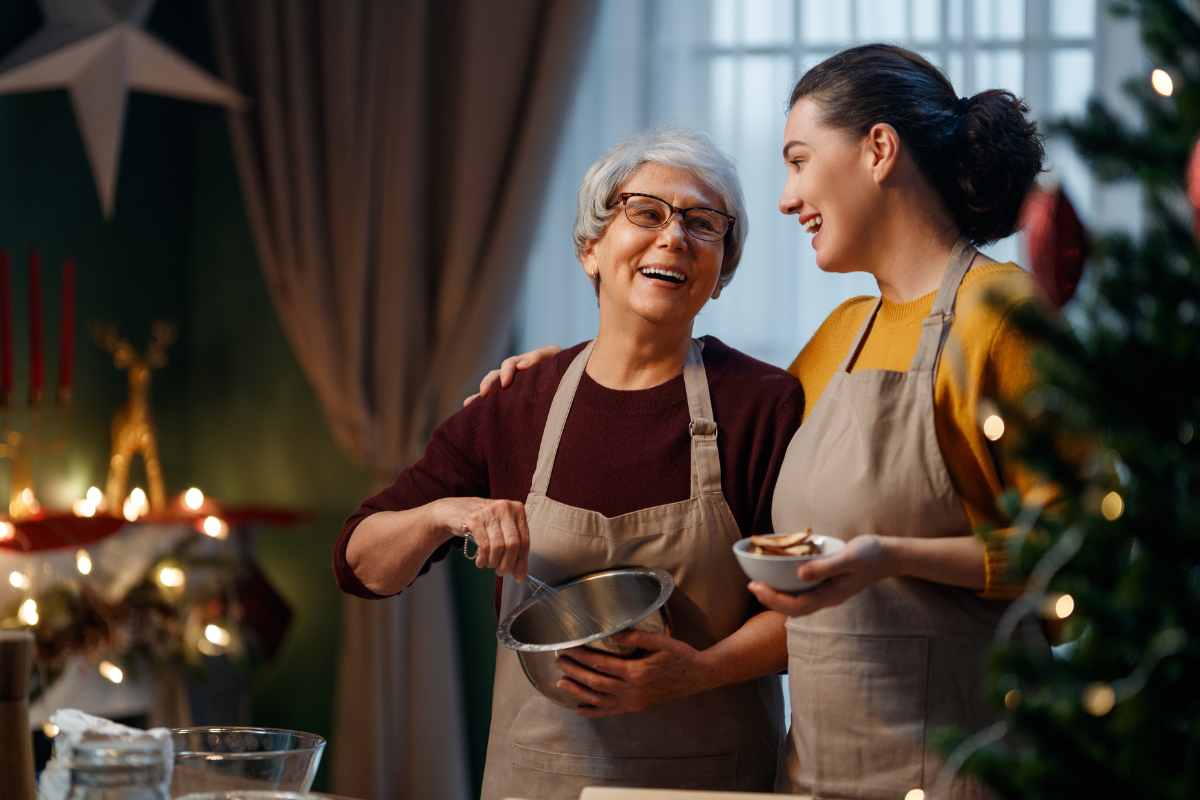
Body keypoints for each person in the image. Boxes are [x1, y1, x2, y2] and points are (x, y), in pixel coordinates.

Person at [471, 44, 1050, 799]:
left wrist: (891, 556)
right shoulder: (843, 335)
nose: (785, 198)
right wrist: (576, 368)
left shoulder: (1004, 315)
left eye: (799, 161)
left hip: (960, 768)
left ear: (878, 150)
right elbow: (714, 397)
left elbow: (1083, 556)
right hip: (814, 774)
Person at [333, 128, 803, 800]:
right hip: (538, 779)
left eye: (704, 224)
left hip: (710, 781)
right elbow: (362, 565)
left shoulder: (764, 404)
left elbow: (812, 609)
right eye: (646, 212)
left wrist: (698, 672)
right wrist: (444, 514)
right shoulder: (517, 402)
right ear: (590, 248)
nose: (675, 237)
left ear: (721, 270)